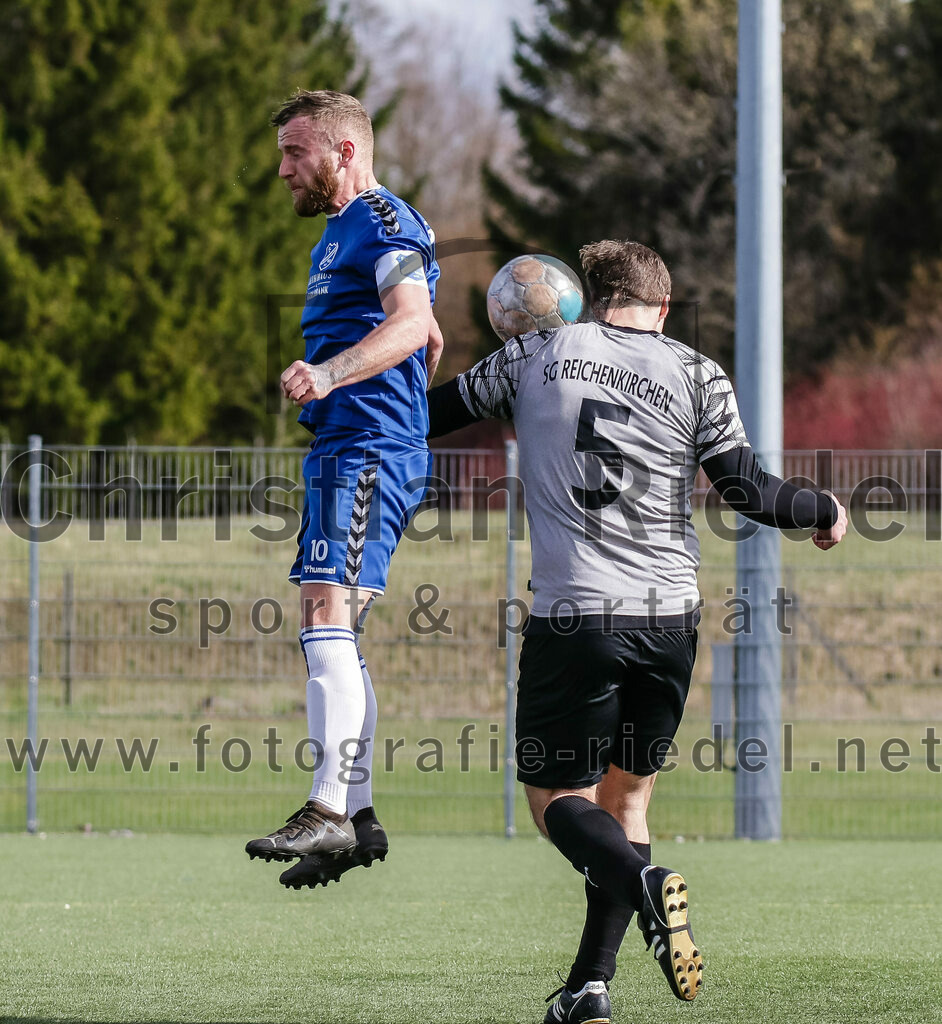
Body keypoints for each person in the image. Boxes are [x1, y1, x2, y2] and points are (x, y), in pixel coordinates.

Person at [427, 240, 847, 1023]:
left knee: (556, 796)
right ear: (663, 305)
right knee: (629, 802)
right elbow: (748, 490)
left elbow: (427, 416)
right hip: (669, 619)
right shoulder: (697, 372)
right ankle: (590, 987)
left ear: (593, 296)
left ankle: (646, 887)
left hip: (576, 615)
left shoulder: (533, 353)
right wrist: (825, 510)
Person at [244, 90, 442, 891]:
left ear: (345, 152)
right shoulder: (339, 235)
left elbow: (409, 322)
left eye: (297, 152)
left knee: (327, 609)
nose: (283, 168)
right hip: (348, 445)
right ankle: (356, 816)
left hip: (368, 450)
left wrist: (331, 377)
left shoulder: (386, 223)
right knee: (333, 620)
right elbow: (428, 339)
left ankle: (327, 811)